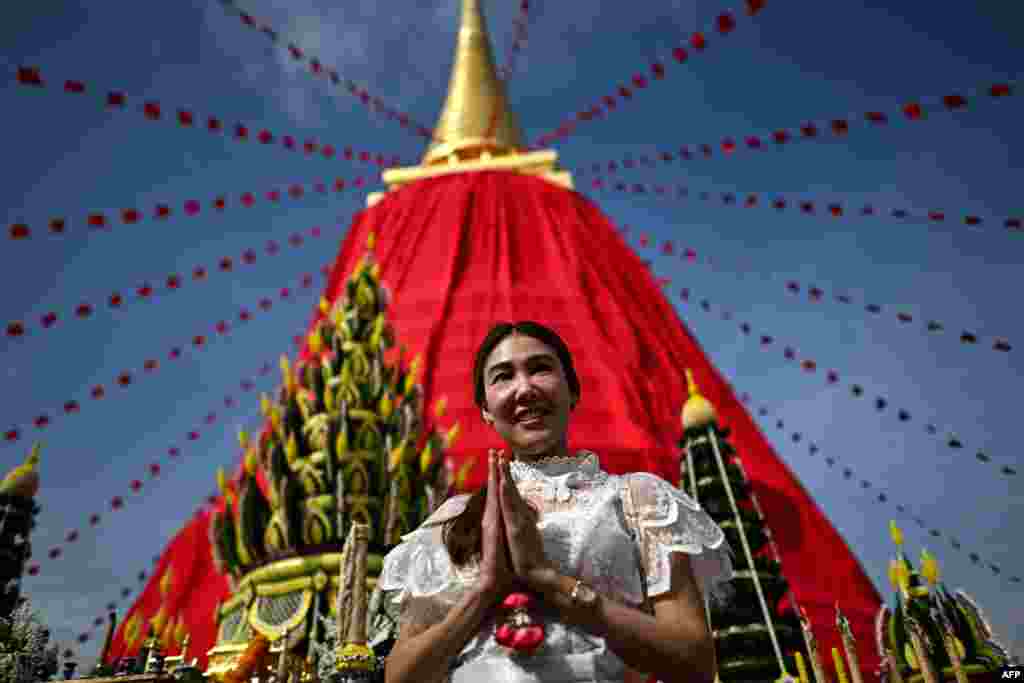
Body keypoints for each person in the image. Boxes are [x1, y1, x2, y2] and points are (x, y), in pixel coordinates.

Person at [380, 321, 732, 683]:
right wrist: (485, 590)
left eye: (540, 369)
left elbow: (695, 661)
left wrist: (550, 582)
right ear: (485, 408)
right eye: (503, 376)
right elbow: (401, 676)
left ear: (573, 391)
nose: (525, 388)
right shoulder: (456, 517)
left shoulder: (639, 500)